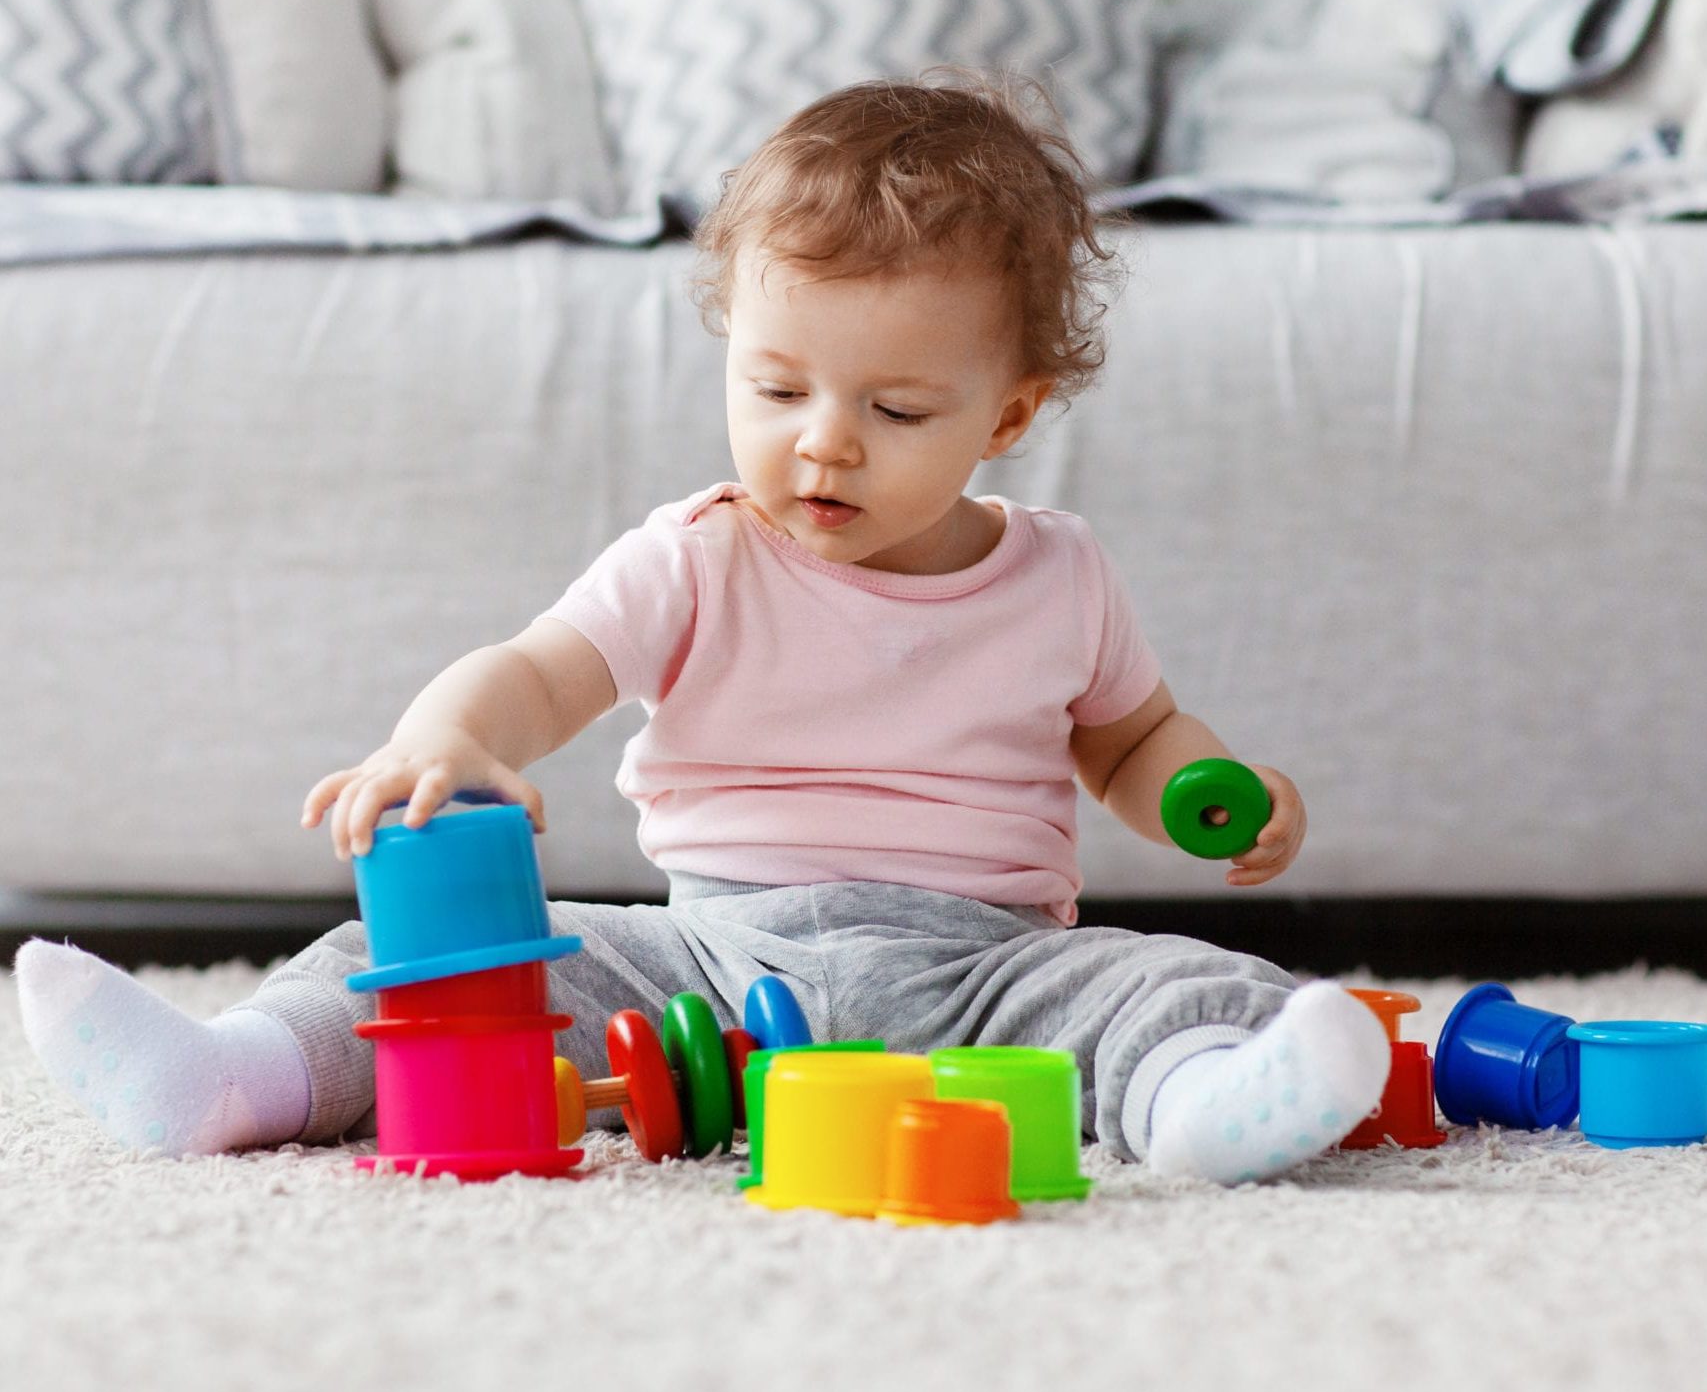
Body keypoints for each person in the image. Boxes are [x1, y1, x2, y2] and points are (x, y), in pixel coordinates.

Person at [15, 72, 1389, 1184]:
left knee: (1172, 985)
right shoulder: (700, 556)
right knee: (449, 972)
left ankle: (1203, 1107)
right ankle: (237, 1075)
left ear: (1009, 416)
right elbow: (542, 672)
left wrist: (1216, 793)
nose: (822, 448)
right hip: (711, 964)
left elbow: (1133, 738)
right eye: (776, 387)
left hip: (988, 970)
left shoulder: (1063, 575)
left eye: (894, 411)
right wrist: (448, 737)